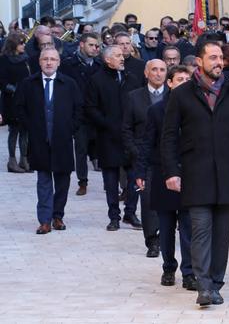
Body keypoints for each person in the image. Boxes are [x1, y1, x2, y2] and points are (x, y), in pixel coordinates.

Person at [161, 39, 229, 307]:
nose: (218, 62)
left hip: (228, 174)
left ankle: (216, 283)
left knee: (222, 235)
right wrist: (171, 171)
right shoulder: (181, 94)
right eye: (212, 57)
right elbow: (168, 137)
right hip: (195, 174)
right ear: (199, 62)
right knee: (201, 231)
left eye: (220, 58)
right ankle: (203, 286)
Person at [135, 65, 197, 291]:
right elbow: (146, 144)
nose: (184, 83)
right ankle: (169, 267)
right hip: (163, 174)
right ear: (169, 83)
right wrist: (140, 172)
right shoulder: (157, 110)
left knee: (189, 226)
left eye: (187, 79)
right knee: (167, 225)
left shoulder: (195, 108)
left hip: (189, 175)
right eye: (179, 79)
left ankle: (189, 272)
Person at [15, 48, 82, 234]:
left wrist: (70, 128)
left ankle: (57, 216)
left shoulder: (69, 84)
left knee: (62, 181)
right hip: (40, 140)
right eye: (45, 59)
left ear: (59, 62)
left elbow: (79, 109)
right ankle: (44, 220)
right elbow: (19, 108)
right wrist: (31, 127)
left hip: (62, 140)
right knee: (43, 180)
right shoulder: (29, 84)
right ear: (39, 62)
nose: (49, 62)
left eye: (53, 59)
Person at [84, 45, 142, 231]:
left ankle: (130, 213)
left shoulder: (131, 78)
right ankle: (114, 217)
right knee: (110, 180)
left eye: (122, 55)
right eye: (117, 56)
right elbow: (91, 108)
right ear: (108, 59)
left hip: (130, 136)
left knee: (135, 177)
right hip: (108, 136)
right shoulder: (96, 80)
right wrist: (107, 124)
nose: (122, 58)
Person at [122, 59, 168, 257]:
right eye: (154, 70)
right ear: (146, 73)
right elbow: (126, 128)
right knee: (148, 200)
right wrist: (135, 151)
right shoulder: (134, 97)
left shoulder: (175, 96)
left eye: (162, 70)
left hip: (170, 158)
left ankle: (167, 237)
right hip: (144, 159)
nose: (158, 73)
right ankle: (153, 241)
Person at [59, 32, 102, 195]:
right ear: (82, 45)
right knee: (81, 149)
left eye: (97, 45)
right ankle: (82, 181)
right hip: (79, 114)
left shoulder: (99, 64)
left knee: (100, 147)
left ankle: (108, 180)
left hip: (97, 112)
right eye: (91, 45)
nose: (94, 48)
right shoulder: (68, 64)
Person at [0, 32, 32, 173]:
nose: (24, 45)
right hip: (11, 100)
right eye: (21, 43)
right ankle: (12, 161)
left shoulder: (25, 58)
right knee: (14, 131)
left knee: (25, 130)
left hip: (26, 100)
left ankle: (24, 160)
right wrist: (16, 90)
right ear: (13, 45)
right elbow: (2, 82)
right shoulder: (4, 60)